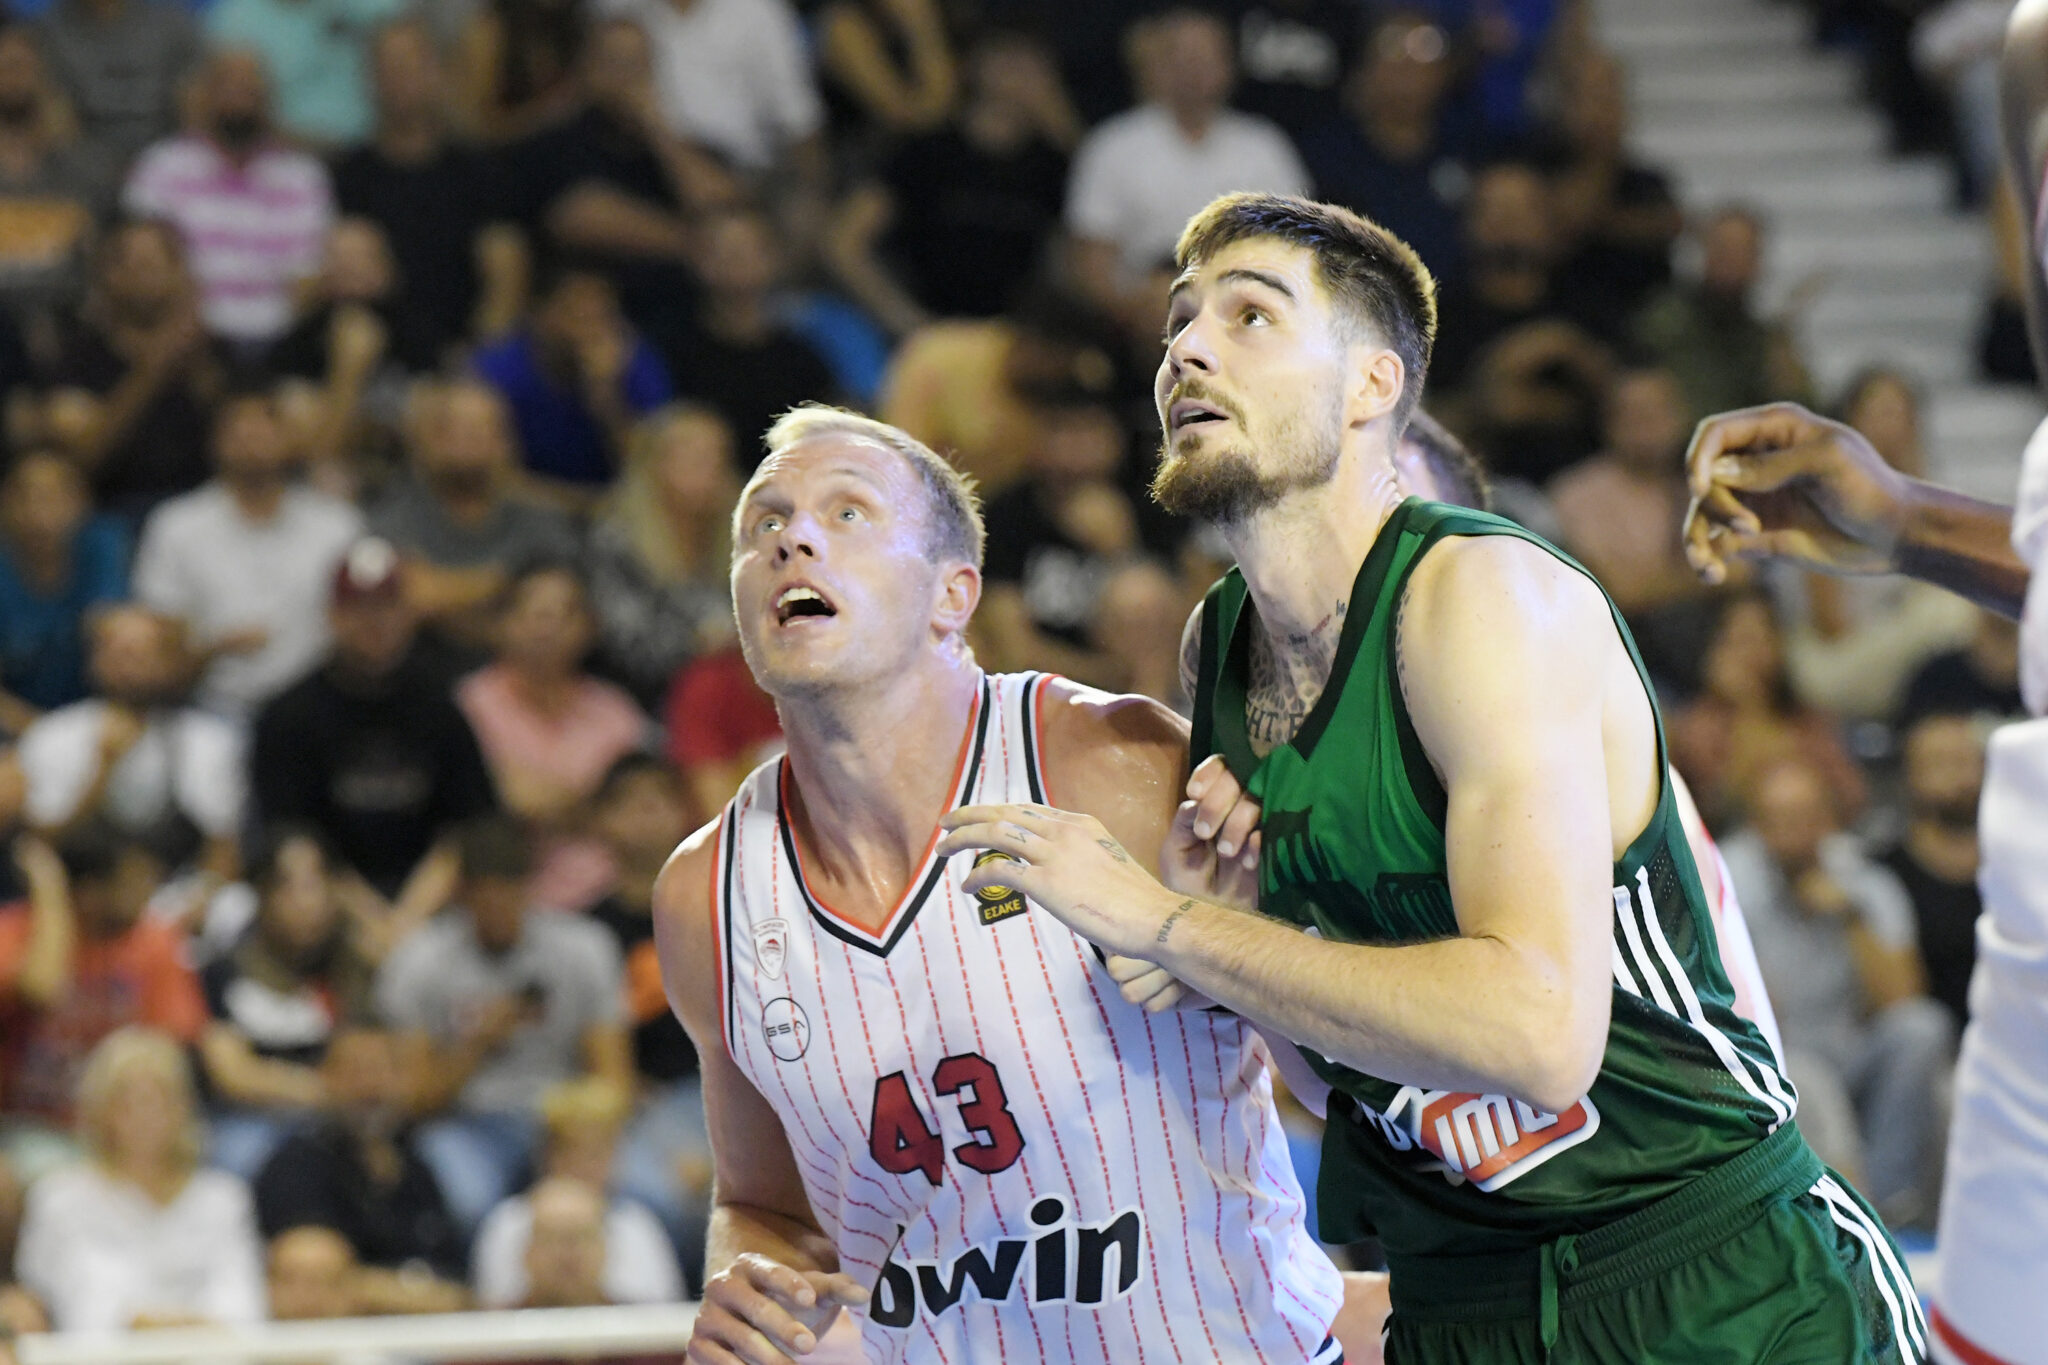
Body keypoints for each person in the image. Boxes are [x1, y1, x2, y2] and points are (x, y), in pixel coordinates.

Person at [940, 194, 1918, 1362]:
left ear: (1372, 384)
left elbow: (1538, 1038)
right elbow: (1344, 1078)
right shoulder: (1219, 647)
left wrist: (1172, 927)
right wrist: (1235, 937)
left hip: (1706, 1277)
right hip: (1459, 1303)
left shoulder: (1484, 599)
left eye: (1249, 316)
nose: (1186, 348)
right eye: (1177, 321)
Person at [655, 406, 1350, 1365]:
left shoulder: (1117, 766)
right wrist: (750, 1282)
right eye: (762, 522)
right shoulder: (706, 896)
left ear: (953, 595)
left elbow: (1342, 1074)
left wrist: (1237, 950)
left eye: (848, 512)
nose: (792, 538)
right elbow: (767, 1208)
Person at [1720, 756, 1952, 1226]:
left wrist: (1850, 918)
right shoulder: (1727, 880)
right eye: (1779, 819)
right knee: (1806, 1074)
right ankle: (1851, 1213)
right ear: (1756, 825)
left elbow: (1903, 996)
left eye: (1805, 817)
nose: (1793, 833)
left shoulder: (1864, 878)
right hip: (1779, 1053)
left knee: (1923, 1028)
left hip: (1852, 1048)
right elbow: (1736, 1009)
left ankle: (1892, 1207)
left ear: (1829, 819)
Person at [375, 814, 630, 1235]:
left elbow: (613, 1079)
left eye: (509, 897)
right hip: (467, 1121)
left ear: (529, 888)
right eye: (485, 901)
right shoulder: (419, 963)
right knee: (468, 1204)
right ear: (462, 896)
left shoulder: (584, 948)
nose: (499, 913)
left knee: (640, 1195)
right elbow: (414, 1102)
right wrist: (479, 1042)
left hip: (563, 1118)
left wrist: (580, 1136)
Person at [250, 537, 498, 934]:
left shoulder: (440, 705)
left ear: (409, 613)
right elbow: (292, 835)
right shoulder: (290, 715)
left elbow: (466, 826)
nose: (375, 622)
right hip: (329, 911)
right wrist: (374, 926)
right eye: (359, 608)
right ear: (332, 616)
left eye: (387, 606)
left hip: (431, 909)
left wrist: (407, 922)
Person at [1065, 7, 1309, 343]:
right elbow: (1091, 262)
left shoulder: (1265, 147)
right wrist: (1135, 309)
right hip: (1134, 319)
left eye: (1205, 56)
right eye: (1179, 55)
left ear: (1230, 65)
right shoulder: (1112, 145)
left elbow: (1292, 249)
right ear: (1154, 65)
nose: (1192, 68)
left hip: (1238, 316)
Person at [132, 388, 365, 719]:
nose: (252, 439)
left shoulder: (337, 525)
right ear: (214, 441)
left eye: (265, 428)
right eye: (238, 430)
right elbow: (159, 637)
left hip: (322, 710)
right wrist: (213, 649)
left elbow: (364, 622)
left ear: (292, 439)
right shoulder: (175, 525)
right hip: (209, 707)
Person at [13, 1026, 264, 1331]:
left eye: (160, 1099)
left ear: (185, 1108)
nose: (145, 1115)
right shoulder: (60, 1199)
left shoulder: (223, 1198)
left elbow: (242, 1303)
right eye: (127, 1101)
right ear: (99, 1110)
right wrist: (136, 1324)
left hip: (212, 1349)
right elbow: (44, 1302)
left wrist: (188, 1329)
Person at [0, 826, 204, 1173]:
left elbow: (170, 1048)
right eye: (133, 883)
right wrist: (50, 891)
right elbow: (42, 988)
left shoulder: (155, 940)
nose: (147, 895)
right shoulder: (16, 929)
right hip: (27, 1122)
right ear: (89, 892)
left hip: (123, 1129)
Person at [456, 560, 651, 912]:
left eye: (564, 613)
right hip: (504, 906)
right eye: (533, 611)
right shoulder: (469, 705)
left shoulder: (616, 712)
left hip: (610, 901)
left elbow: (643, 811)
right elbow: (490, 803)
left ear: (590, 627)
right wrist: (594, 805)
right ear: (500, 623)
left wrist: (533, 802)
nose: (547, 626)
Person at [583, 754, 709, 1282]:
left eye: (659, 801)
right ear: (601, 820)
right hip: (643, 1100)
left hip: (729, 1090)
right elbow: (591, 1053)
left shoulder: (727, 906)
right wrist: (664, 1136)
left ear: (683, 812)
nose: (646, 815)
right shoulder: (588, 931)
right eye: (630, 804)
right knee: (653, 1192)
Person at [121, 48, 334, 348]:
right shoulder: (161, 168)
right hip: (188, 337)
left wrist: (279, 336)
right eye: (227, 85)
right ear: (202, 94)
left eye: (249, 89)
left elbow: (309, 274)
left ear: (269, 99)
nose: (238, 98)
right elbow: (142, 265)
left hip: (283, 337)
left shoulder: (302, 176)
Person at [17, 603, 245, 882]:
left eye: (142, 654)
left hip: (177, 894)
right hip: (80, 894)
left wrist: (184, 908)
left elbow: (222, 850)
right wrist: (102, 769)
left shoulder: (209, 741)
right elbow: (38, 847)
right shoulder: (54, 735)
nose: (127, 667)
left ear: (173, 663)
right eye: (116, 653)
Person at [198, 828, 379, 1178]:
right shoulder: (226, 970)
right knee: (236, 1157)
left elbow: (375, 1059)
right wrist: (322, 1091)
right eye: (290, 887)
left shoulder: (352, 968)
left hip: (341, 1122)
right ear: (262, 894)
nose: (307, 902)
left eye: (318, 885)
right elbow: (231, 1073)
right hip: (254, 1120)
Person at [253, 1024, 470, 1303]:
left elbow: (456, 1280)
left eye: (384, 1070)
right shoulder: (297, 1166)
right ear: (326, 1077)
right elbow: (312, 1282)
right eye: (356, 1071)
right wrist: (417, 1296)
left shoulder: (416, 1165)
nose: (371, 1087)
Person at [367, 379, 583, 649]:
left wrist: (448, 594)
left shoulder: (539, 518)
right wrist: (507, 580)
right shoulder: (395, 512)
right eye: (450, 431)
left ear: (506, 442)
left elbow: (561, 604)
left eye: (478, 431)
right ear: (422, 441)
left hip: (527, 664)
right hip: (422, 662)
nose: (464, 444)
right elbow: (413, 596)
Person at [39, 218, 225, 525]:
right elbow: (80, 456)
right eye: (134, 265)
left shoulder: (212, 351)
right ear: (107, 275)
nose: (146, 276)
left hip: (204, 512)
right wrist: (152, 370)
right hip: (109, 511)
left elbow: (244, 438)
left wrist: (196, 362)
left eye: (156, 264)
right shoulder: (77, 358)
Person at [471, 1077, 683, 1308]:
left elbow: (661, 1316)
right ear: (549, 1154)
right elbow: (493, 1313)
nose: (588, 1166)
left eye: (599, 1154)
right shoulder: (509, 1222)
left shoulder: (635, 1225)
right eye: (576, 1151)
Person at [653, 204, 838, 469]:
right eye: (725, 249)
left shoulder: (803, 357)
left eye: (751, 248)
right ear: (698, 259)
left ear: (775, 257)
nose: (739, 259)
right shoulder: (668, 348)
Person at [587, 404, 741, 707]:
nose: (714, 471)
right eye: (697, 460)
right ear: (655, 466)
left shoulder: (741, 533)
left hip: (730, 693)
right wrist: (698, 644)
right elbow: (626, 648)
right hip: (642, 700)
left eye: (720, 459)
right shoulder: (616, 541)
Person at [473, 261, 672, 493]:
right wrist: (577, 503)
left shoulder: (635, 362)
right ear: (539, 314)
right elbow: (486, 472)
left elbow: (654, 471)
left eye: (601, 317)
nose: (589, 330)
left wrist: (607, 398)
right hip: (526, 505)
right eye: (576, 314)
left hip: (617, 506)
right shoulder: (495, 370)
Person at [0, 450, 127, 733]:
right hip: (14, 728)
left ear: (83, 501)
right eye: (26, 497)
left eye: (55, 497)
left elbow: (111, 632)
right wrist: (47, 736)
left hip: (95, 720)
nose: (40, 513)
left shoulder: (103, 544)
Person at [1877, 713, 1987, 1029]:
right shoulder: (1884, 875)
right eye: (1941, 764)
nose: (1961, 778)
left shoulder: (2021, 861)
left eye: (1968, 761)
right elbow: (1898, 1003)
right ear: (1910, 776)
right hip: (1937, 1041)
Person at [203, 0, 404, 147]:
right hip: (277, 159)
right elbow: (214, 103)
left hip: (373, 153)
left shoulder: (376, 8)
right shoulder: (235, 20)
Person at [35, 0, 198, 168]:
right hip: (83, 156)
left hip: (165, 152)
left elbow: (196, 97)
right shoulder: (48, 33)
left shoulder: (172, 25)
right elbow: (52, 109)